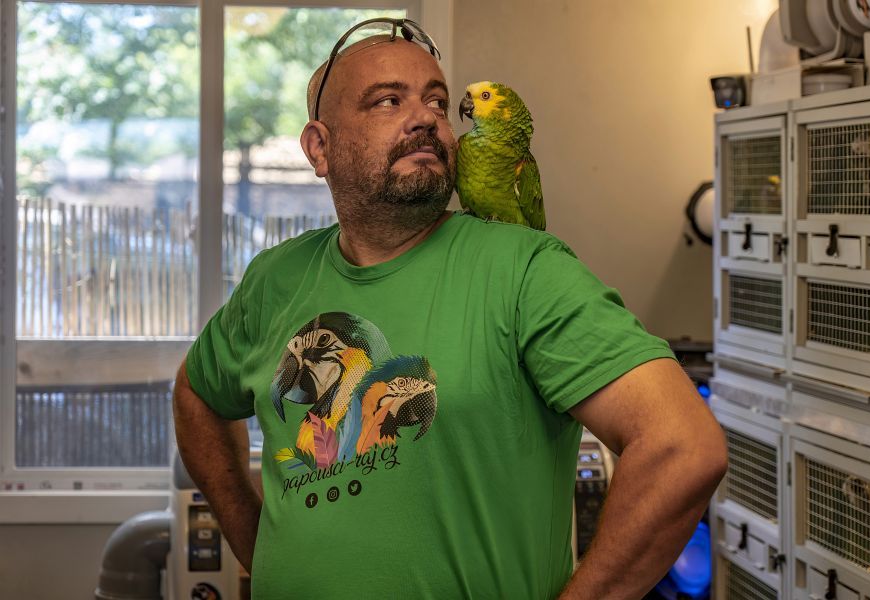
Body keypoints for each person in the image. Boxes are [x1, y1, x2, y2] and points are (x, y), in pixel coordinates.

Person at [173, 18, 727, 600]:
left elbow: (683, 448)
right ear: (320, 147)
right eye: (388, 101)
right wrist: (256, 544)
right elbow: (195, 396)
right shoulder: (274, 279)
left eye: (436, 102)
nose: (426, 118)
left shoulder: (527, 271)